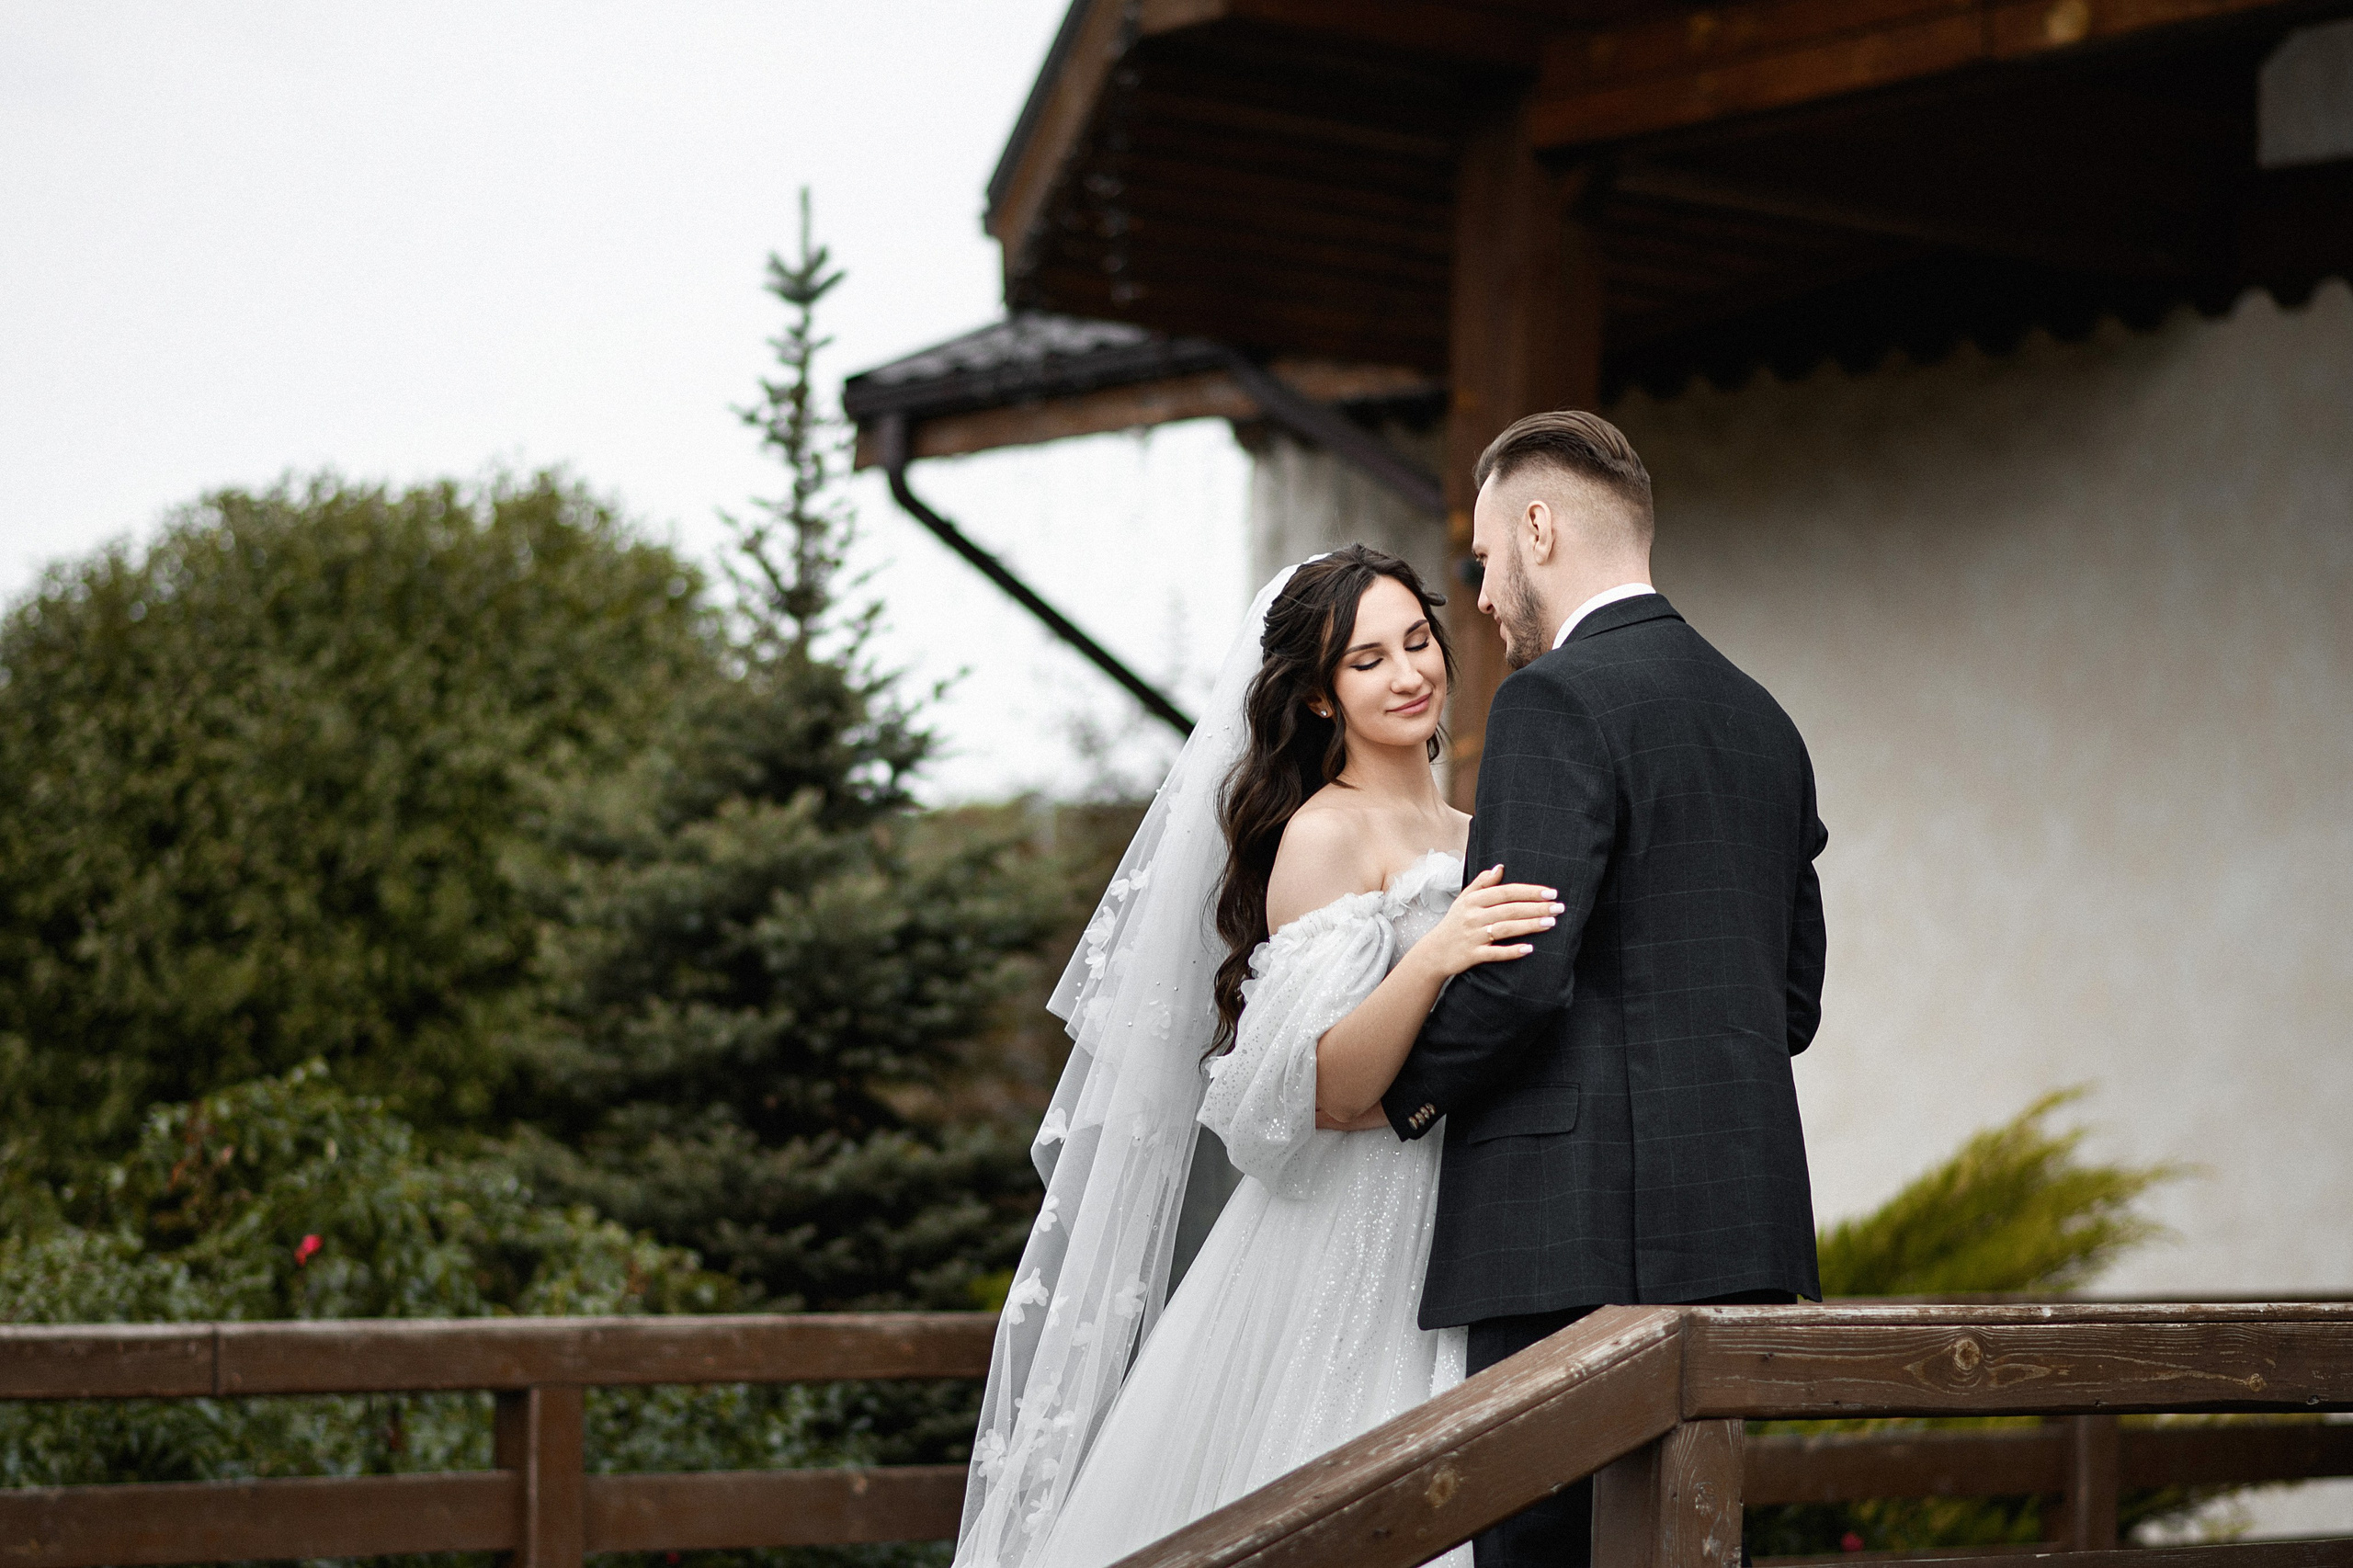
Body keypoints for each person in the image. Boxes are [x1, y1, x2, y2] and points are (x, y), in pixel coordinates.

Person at [953, 548, 1558, 1568]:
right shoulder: (1322, 835)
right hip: (1357, 1220)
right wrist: (1434, 954)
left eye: (1417, 641)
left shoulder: (1475, 829)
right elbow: (1321, 1088)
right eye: (1368, 660)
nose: (1409, 673)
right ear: (1320, 695)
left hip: (1471, 1211)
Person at [1376, 411, 1829, 1568]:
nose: (1482, 596)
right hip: (1736, 1232)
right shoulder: (1764, 721)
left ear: (1539, 529)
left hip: (1565, 1236)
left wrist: (1394, 1093)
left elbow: (1519, 978)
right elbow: (1790, 1003)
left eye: (1485, 559)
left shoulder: (1552, 702)